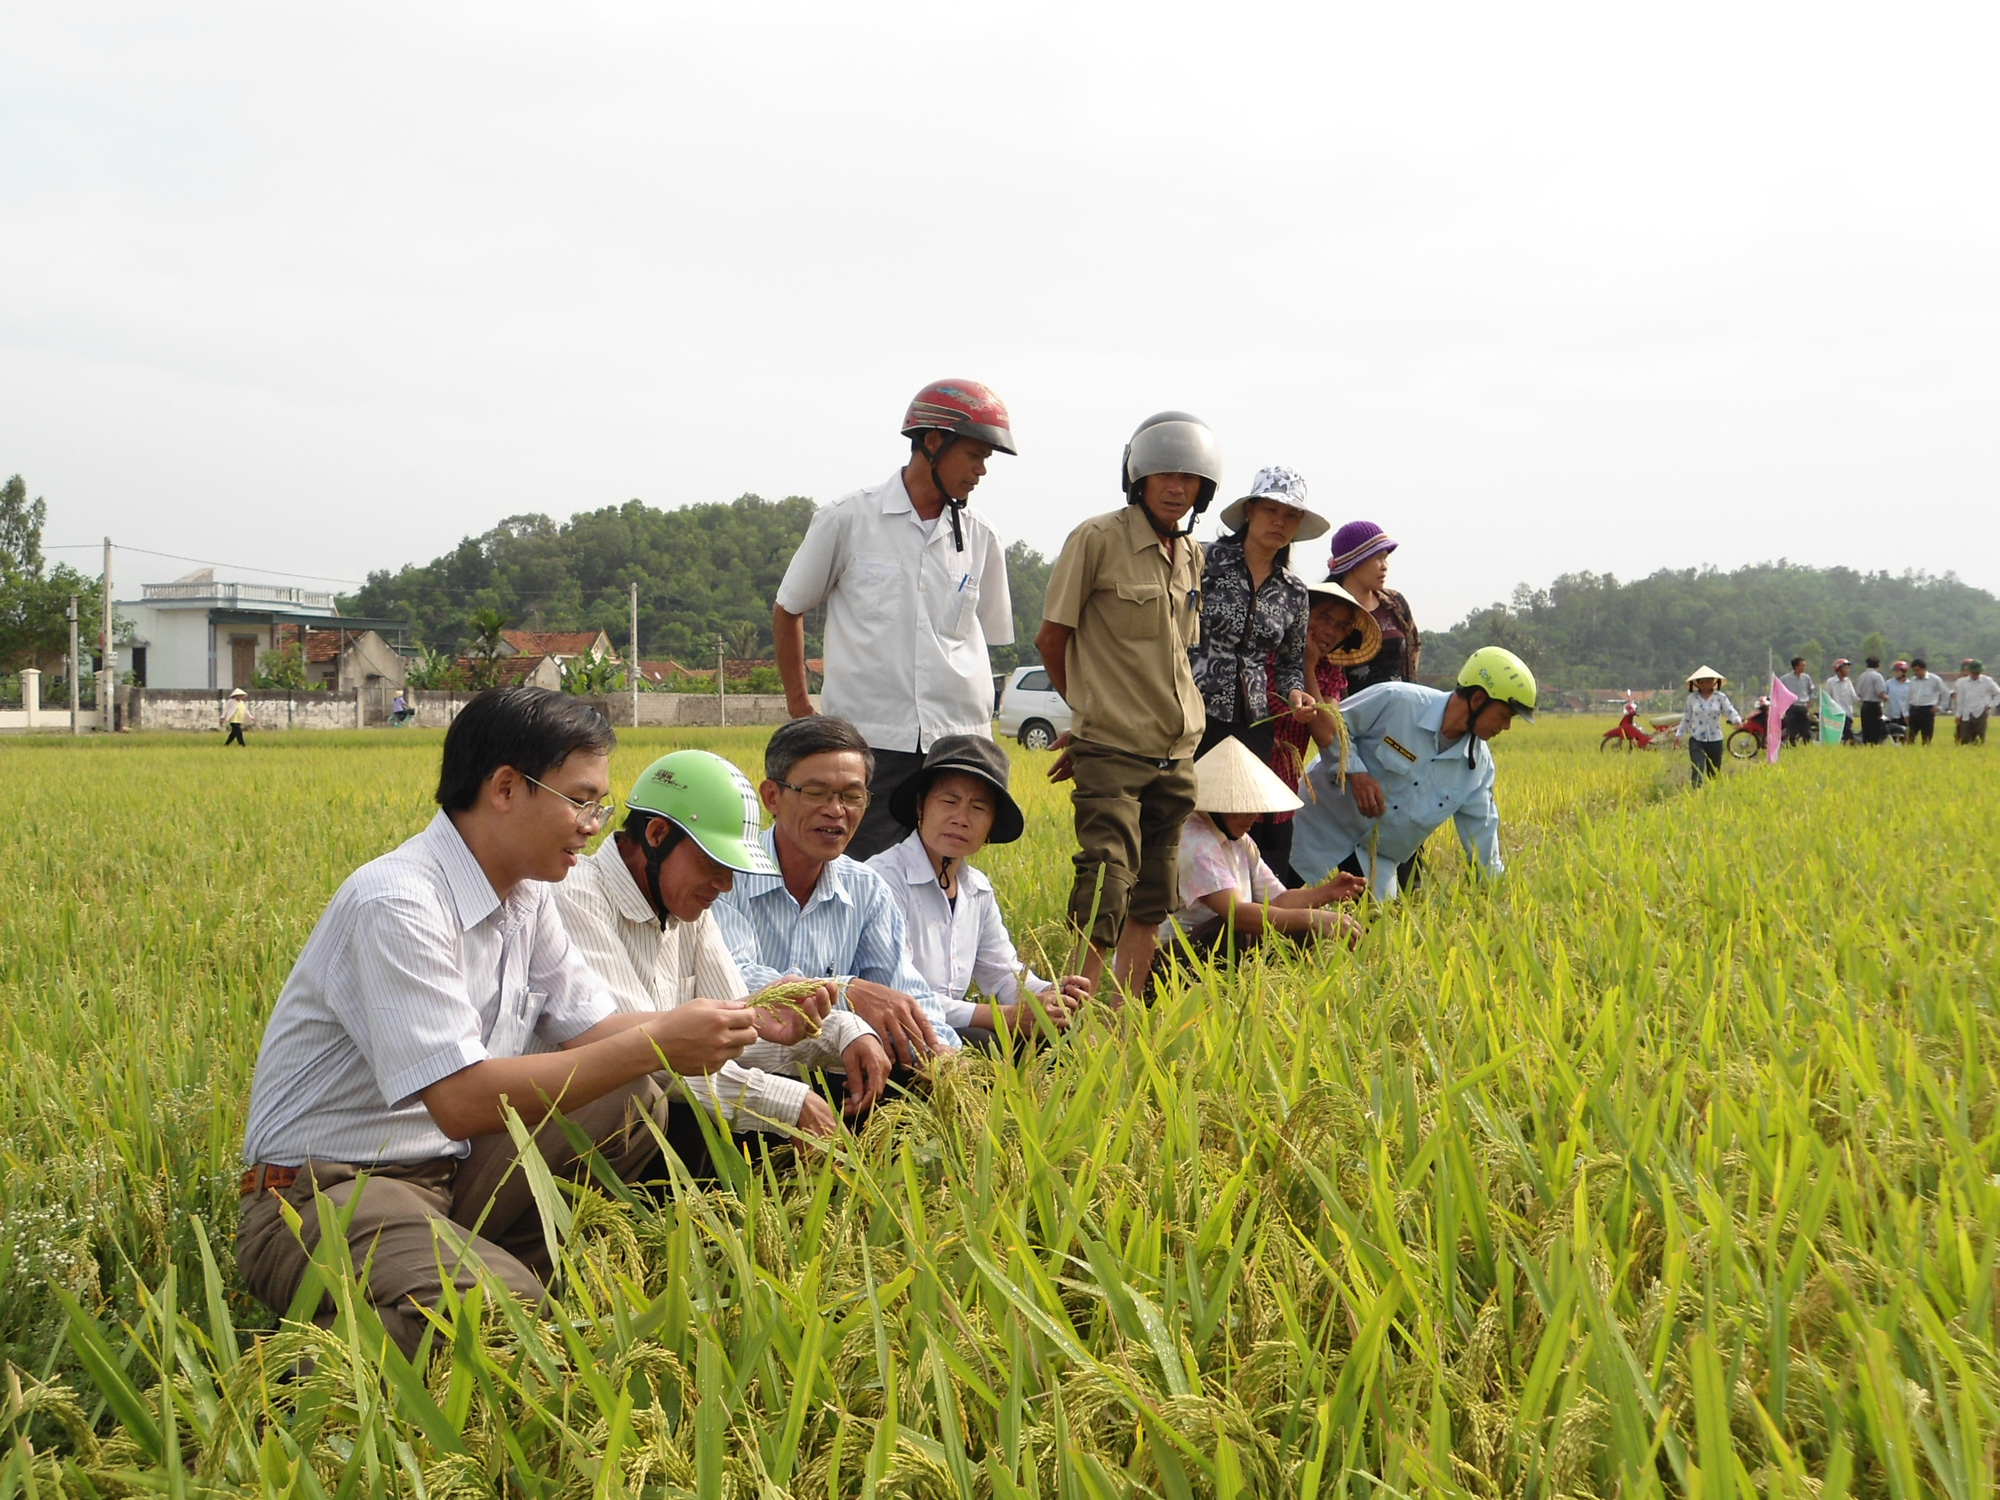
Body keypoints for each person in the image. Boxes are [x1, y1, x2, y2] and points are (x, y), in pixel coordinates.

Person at [235, 687, 765, 1359]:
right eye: (581, 800)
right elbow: (459, 1100)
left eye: (599, 805)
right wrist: (659, 1040)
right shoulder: (400, 903)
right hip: (324, 1193)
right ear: (507, 789)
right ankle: (296, 1377)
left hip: (443, 1176)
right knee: (510, 1325)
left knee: (630, 1096)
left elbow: (597, 1029)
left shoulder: (527, 898)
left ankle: (484, 1280)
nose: (594, 825)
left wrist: (730, 1027)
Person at [554, 750, 891, 1148]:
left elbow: (735, 1027)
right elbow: (643, 1059)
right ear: (658, 835)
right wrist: (788, 1103)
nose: (725, 885)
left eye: (731, 870)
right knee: (662, 1108)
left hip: (656, 1107)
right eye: (713, 863)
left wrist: (841, 1031)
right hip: (592, 1128)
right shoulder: (578, 897)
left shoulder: (686, 907)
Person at [771, 380, 1018, 861]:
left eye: (987, 458)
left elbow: (984, 634)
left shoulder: (982, 537)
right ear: (932, 442)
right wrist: (801, 705)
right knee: (861, 873)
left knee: (942, 874)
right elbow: (789, 608)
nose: (981, 470)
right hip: (871, 739)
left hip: (957, 739)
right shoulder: (849, 519)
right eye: (973, 454)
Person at [1033, 411, 1216, 998]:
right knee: (1107, 875)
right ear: (1137, 478)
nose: (1175, 488)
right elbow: (1051, 639)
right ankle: (1076, 1015)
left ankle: (1122, 1012)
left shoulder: (1192, 556)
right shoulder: (1097, 539)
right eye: (1163, 474)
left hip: (1177, 750)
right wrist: (1088, 716)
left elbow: (1180, 655)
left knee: (1155, 889)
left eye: (1188, 479)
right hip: (1113, 745)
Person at [711, 715, 961, 1070]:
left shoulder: (867, 889)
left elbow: (901, 989)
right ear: (772, 796)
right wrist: (846, 992)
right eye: (815, 793)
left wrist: (944, 1053)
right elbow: (731, 978)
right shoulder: (726, 875)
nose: (836, 810)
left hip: (840, 1072)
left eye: (852, 796)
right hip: (742, 1071)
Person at [867, 734, 1090, 1049]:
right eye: (949, 801)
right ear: (921, 806)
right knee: (986, 1042)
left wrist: (1051, 995)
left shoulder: (977, 890)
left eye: (978, 807)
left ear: (991, 825)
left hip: (951, 1029)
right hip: (893, 1033)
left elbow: (1002, 974)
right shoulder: (884, 880)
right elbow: (899, 995)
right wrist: (1006, 1017)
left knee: (1062, 1036)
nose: (961, 818)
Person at [1290, 647, 1535, 901]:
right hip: (1317, 829)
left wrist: (1503, 900)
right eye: (1505, 715)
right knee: (1273, 912)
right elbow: (1333, 729)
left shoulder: (1478, 769)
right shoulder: (1396, 700)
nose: (1506, 727)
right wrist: (1355, 772)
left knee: (1372, 933)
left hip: (1375, 861)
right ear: (1478, 701)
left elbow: (1482, 839)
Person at [1163, 736, 1366, 967]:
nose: (1254, 816)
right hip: (1176, 956)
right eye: (1244, 807)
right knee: (1238, 928)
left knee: (1303, 927)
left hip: (1218, 945)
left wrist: (1328, 892)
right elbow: (1236, 914)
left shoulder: (1240, 840)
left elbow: (1279, 899)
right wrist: (1312, 918)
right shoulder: (1197, 844)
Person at [1264, 579, 1382, 884]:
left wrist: (1309, 666)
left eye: (1341, 626)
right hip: (1247, 777)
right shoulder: (1267, 654)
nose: (1331, 630)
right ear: (1302, 614)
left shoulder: (1329, 672)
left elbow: (1328, 732)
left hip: (1283, 792)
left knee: (1268, 879)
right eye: (1324, 618)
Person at [1323, 521, 1421, 696]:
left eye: (1385, 558)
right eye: (1378, 558)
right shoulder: (1326, 612)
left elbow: (1415, 643)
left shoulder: (1395, 603)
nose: (1384, 566)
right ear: (1354, 562)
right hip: (1351, 716)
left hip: (1399, 711)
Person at [1674, 667, 1742, 786]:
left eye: (1708, 681)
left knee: (1714, 771)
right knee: (1698, 768)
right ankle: (1696, 794)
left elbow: (1729, 710)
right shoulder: (1692, 699)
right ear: (1697, 684)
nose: (1705, 685)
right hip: (1697, 739)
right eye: (1702, 682)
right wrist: (1679, 734)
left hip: (1715, 739)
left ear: (1714, 682)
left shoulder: (1720, 697)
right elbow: (1687, 718)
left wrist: (1737, 720)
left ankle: (1712, 795)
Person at [1954, 660, 1998, 745]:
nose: (1976, 674)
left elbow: (1998, 693)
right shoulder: (1961, 682)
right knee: (1965, 738)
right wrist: (1958, 715)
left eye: (1978, 672)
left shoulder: (1987, 681)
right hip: (1966, 713)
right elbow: (1960, 700)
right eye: (1974, 672)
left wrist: (1991, 705)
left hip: (1980, 712)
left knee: (1979, 739)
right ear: (1970, 671)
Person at [1904, 658, 1947, 744]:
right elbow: (1908, 697)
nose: (1916, 673)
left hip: (1927, 711)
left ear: (1924, 669)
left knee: (1926, 738)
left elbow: (1945, 693)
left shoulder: (1934, 679)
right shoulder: (1912, 680)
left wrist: (1941, 707)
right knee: (1909, 738)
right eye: (1914, 671)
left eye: (1918, 670)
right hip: (1914, 710)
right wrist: (1906, 713)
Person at [1776, 657, 1815, 746]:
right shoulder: (1785, 678)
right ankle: (1792, 746)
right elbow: (1779, 690)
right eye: (1802, 665)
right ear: (1796, 666)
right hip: (1791, 707)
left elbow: (1811, 691)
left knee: (1806, 730)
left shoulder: (1807, 678)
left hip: (1803, 706)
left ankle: (1806, 747)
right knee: (1791, 730)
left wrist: (1809, 704)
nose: (1804, 667)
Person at [1854, 657, 1889, 745]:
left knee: (1866, 729)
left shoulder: (1861, 676)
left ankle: (1866, 746)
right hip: (1875, 706)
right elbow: (1880, 693)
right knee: (1876, 730)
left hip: (1864, 706)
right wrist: (1886, 698)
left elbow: (1858, 693)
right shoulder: (1877, 676)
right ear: (1878, 665)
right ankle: (1875, 746)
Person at [1825, 659, 1859, 745]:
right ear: (1838, 669)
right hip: (1837, 714)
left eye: (1848, 668)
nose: (1847, 670)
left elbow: (1853, 696)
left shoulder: (1848, 681)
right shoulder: (1831, 682)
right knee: (1848, 734)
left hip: (1848, 712)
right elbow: (1827, 698)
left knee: (1845, 736)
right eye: (1845, 668)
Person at [1885, 662, 1910, 737]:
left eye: (1898, 671)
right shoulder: (1889, 683)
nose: (1896, 673)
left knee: (1906, 735)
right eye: (1895, 671)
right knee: (1894, 735)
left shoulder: (1910, 684)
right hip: (1893, 714)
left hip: (1906, 715)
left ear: (1904, 672)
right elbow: (1883, 694)